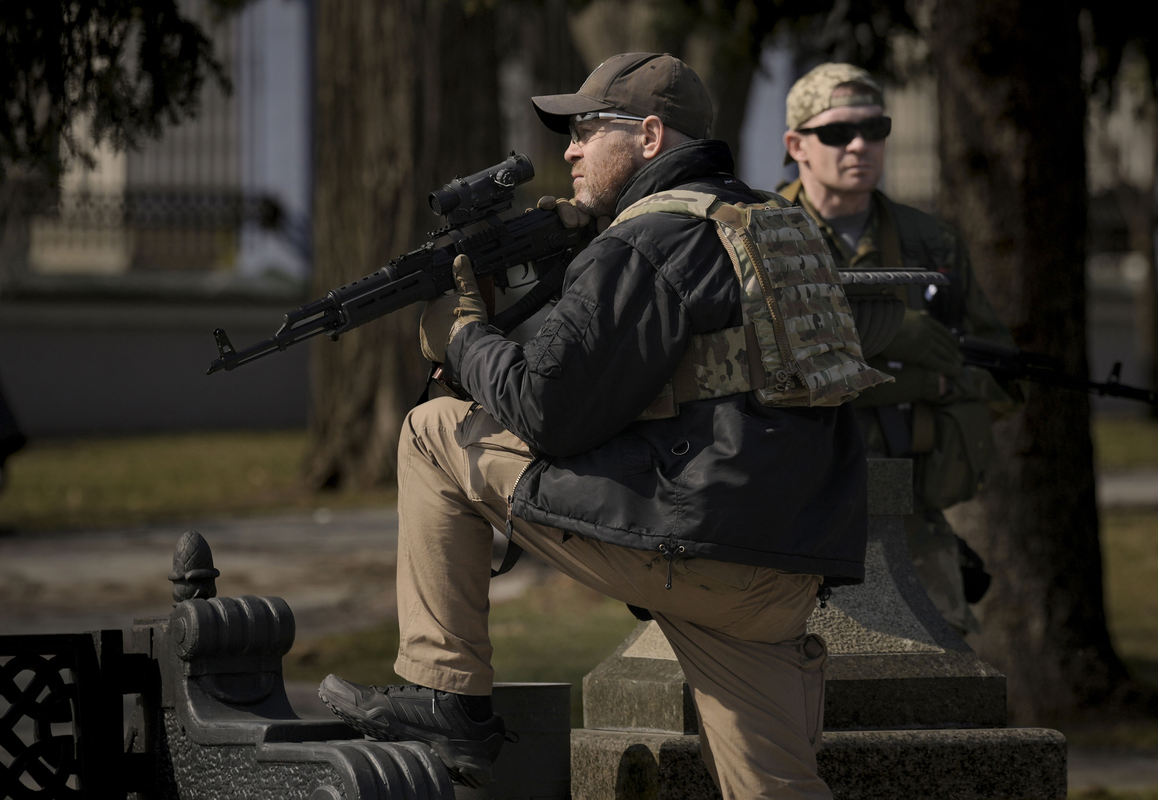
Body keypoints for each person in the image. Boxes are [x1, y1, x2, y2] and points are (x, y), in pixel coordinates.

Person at [317, 53, 882, 799]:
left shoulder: (645, 242)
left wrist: (462, 334)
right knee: (777, 788)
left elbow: (549, 409)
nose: (571, 150)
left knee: (431, 432)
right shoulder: (773, 223)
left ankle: (445, 694)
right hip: (785, 563)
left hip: (694, 547)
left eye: (587, 130)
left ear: (649, 137)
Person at [777, 63, 1022, 636]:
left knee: (939, 672)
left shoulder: (928, 242)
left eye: (875, 128)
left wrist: (939, 383)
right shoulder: (761, 232)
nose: (860, 144)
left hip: (907, 515)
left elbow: (998, 374)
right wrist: (900, 373)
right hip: (786, 510)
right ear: (797, 146)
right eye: (837, 132)